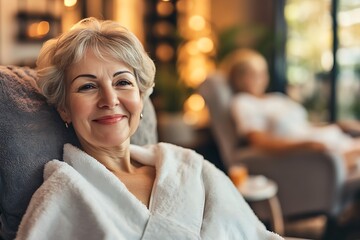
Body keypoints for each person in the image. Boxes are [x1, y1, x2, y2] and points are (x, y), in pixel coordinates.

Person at [15, 18, 283, 240]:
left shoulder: (187, 166)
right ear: (64, 108)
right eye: (87, 86)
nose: (110, 100)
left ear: (141, 97)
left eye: (123, 82)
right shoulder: (62, 195)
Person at [223, 48, 360, 170]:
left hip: (327, 139)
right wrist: (306, 145)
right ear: (239, 77)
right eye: (253, 74)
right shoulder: (243, 102)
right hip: (312, 154)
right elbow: (259, 142)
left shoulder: (275, 98)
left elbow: (303, 126)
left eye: (263, 73)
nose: (262, 78)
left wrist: (336, 125)